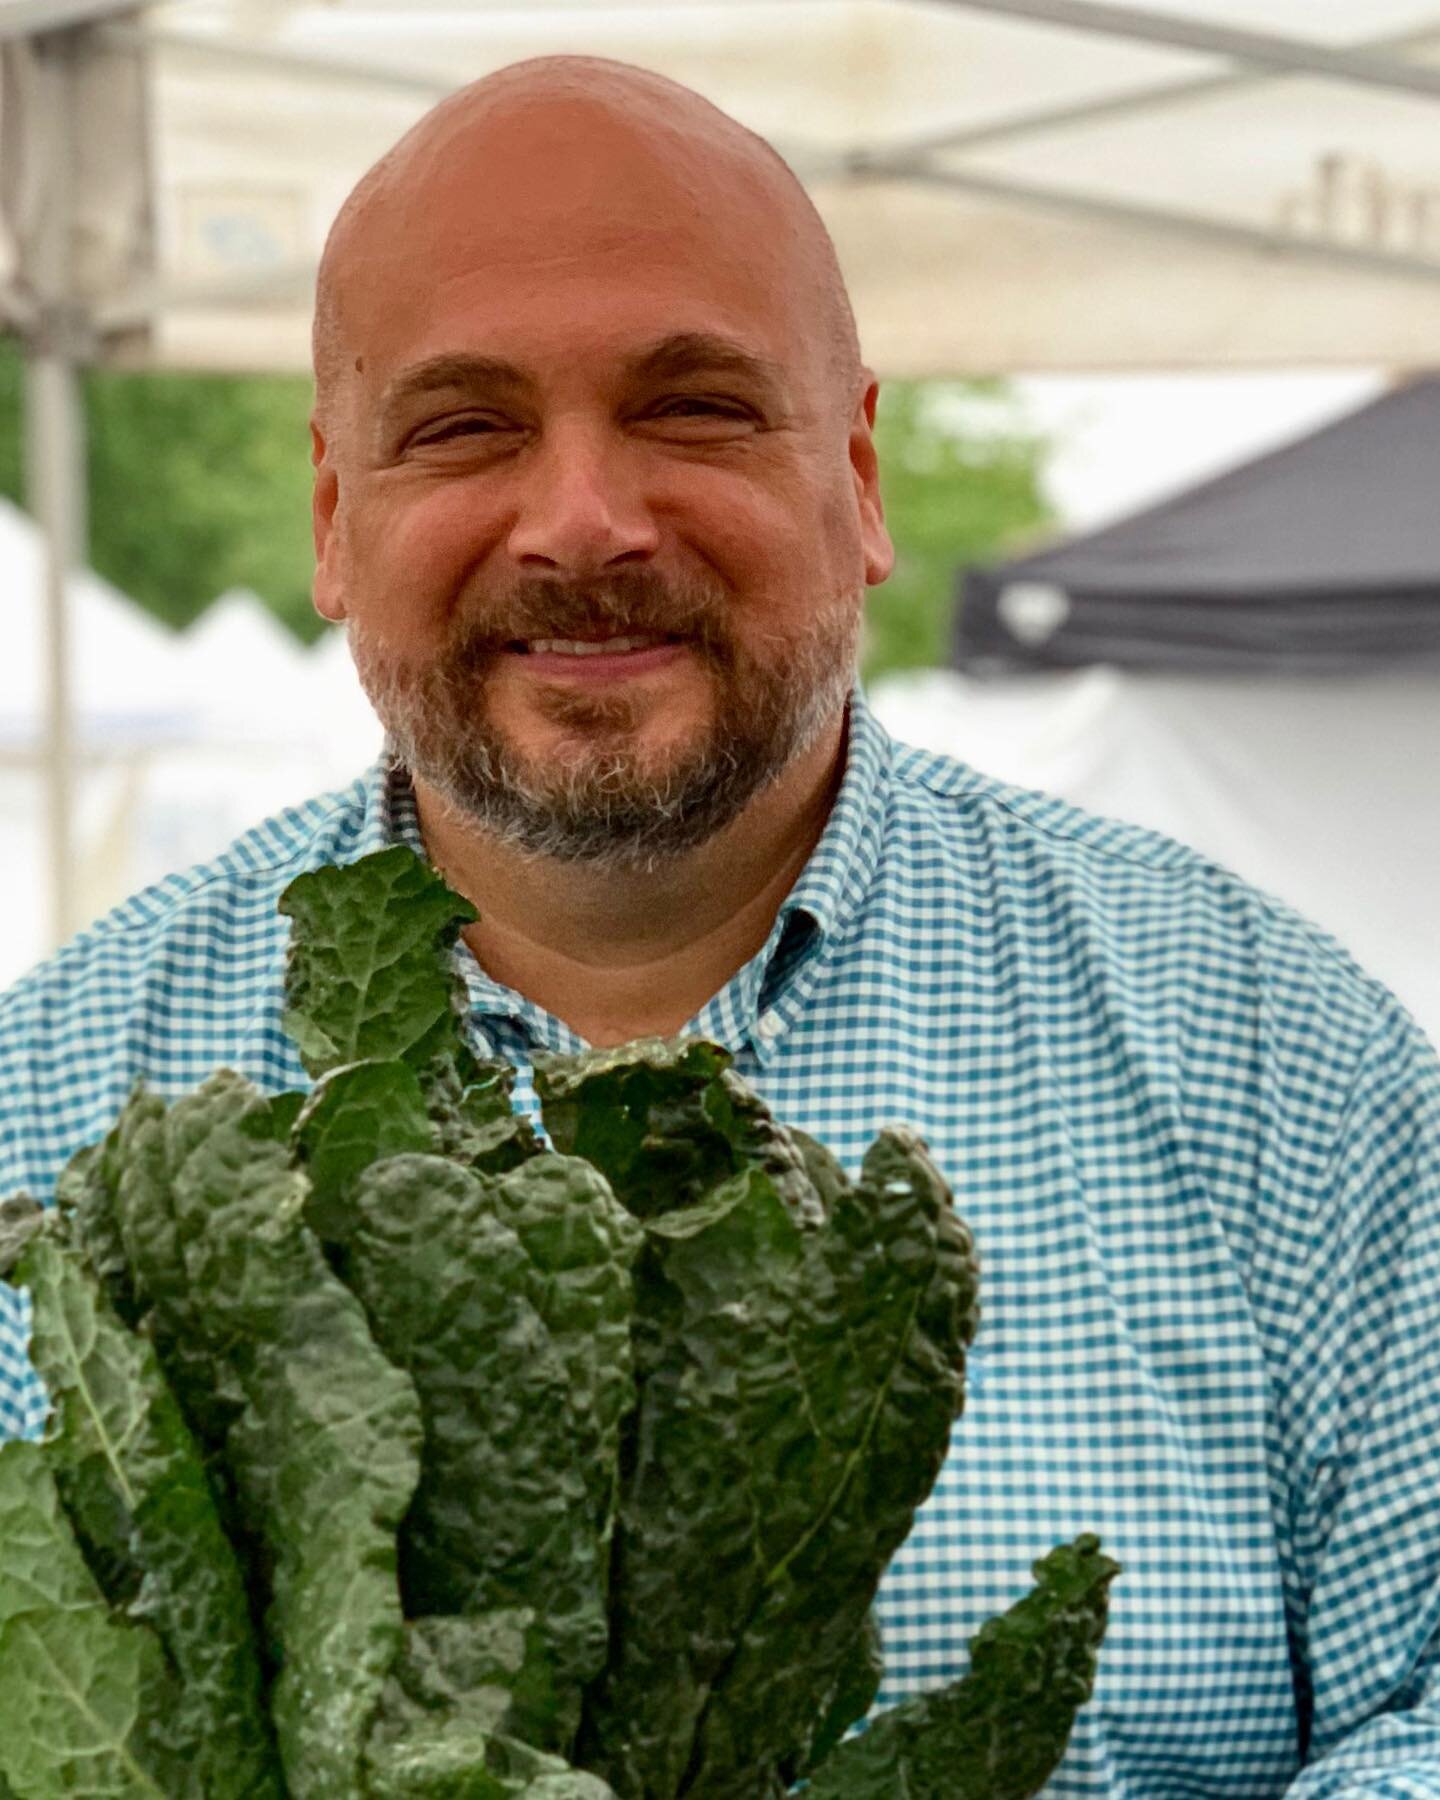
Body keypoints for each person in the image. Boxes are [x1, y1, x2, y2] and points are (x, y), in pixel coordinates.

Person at [2, 54, 1438, 1798]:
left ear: (859, 475)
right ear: (331, 514)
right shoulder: (55, 1094)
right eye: (466, 425)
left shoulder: (1282, 1071)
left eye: (694, 408)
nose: (584, 521)